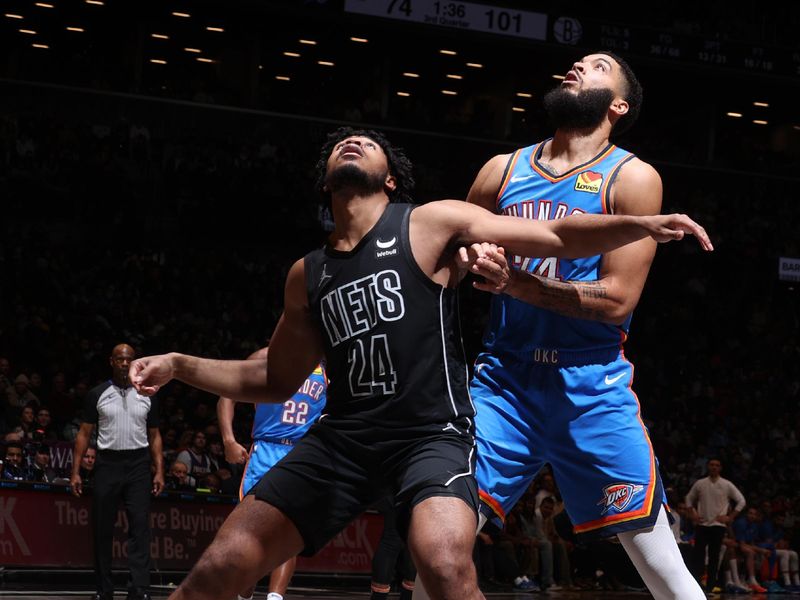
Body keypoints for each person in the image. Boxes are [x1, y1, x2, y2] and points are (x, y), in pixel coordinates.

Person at [128, 127, 710, 600]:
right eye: (338, 142)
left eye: (366, 140)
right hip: (344, 439)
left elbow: (553, 233)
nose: (349, 141)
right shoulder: (307, 274)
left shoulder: (428, 222)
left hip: (428, 435)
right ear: (324, 182)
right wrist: (181, 364)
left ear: (390, 178)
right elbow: (273, 380)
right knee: (217, 570)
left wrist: (640, 225)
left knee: (446, 564)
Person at [415, 51, 708, 600]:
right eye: (578, 62)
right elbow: (449, 259)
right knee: (440, 551)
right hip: (503, 383)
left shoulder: (634, 177)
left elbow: (617, 300)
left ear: (618, 104)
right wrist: (469, 261)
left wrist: (517, 284)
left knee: (662, 567)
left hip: (590, 386)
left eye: (598, 67)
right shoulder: (501, 170)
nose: (578, 66)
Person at [217, 346, 327, 600]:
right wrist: (228, 440)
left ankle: (275, 598)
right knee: (249, 534)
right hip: (265, 450)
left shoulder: (326, 365)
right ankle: (244, 594)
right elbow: (227, 395)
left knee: (288, 535)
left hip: (301, 454)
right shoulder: (264, 357)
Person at [70, 343, 164, 600]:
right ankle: (104, 589)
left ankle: (138, 588)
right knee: (102, 529)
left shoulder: (148, 394)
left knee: (140, 527)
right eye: (120, 359)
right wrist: (76, 471)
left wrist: (159, 471)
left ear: (136, 363)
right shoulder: (97, 394)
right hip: (107, 464)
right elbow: (84, 434)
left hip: (138, 465)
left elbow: (154, 435)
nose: (124, 363)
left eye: (129, 359)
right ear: (112, 361)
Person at [685, 458, 746, 592]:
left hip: (718, 525)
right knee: (698, 555)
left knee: (714, 556)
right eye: (712, 465)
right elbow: (689, 498)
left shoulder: (726, 484)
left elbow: (741, 501)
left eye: (717, 465)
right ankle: (696, 584)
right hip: (702, 524)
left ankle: (710, 586)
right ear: (708, 467)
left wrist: (730, 517)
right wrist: (693, 514)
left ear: (720, 468)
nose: (714, 467)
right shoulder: (700, 483)